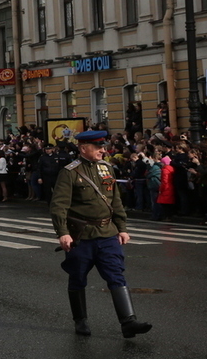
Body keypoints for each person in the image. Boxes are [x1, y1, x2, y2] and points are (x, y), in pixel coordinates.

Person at [50, 130, 152, 339]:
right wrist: (63, 233)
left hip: (107, 234)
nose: (103, 151)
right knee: (78, 277)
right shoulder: (70, 172)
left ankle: (128, 322)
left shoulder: (107, 169)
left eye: (103, 147)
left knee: (116, 274)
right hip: (82, 236)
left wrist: (122, 227)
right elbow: (59, 206)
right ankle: (80, 320)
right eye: (98, 147)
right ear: (83, 148)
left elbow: (115, 200)